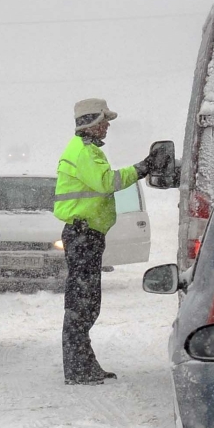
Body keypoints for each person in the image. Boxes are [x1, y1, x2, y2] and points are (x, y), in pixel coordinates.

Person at [53, 99, 156, 385]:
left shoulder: (85, 151)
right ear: (90, 122)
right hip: (83, 234)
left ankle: (82, 364)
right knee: (83, 303)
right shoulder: (85, 152)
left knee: (84, 302)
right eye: (104, 120)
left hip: (85, 234)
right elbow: (106, 182)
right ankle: (78, 367)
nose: (108, 125)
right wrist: (142, 168)